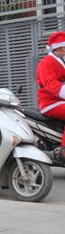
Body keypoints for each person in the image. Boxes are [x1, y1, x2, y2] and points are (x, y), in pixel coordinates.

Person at [37, 31, 65, 160]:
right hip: (51, 103)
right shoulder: (47, 63)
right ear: (59, 48)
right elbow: (50, 83)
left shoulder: (61, 61)